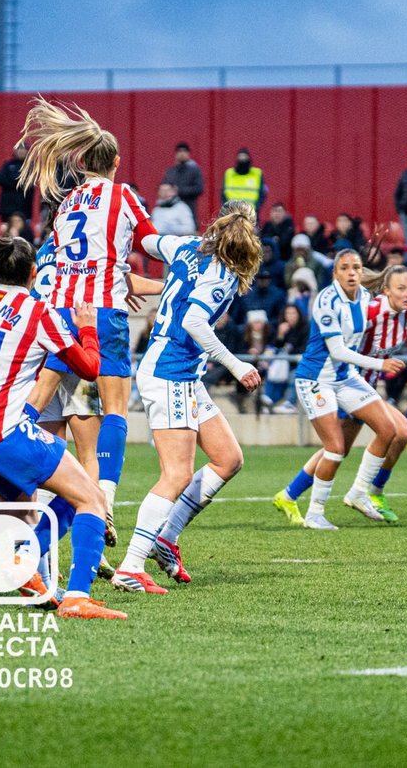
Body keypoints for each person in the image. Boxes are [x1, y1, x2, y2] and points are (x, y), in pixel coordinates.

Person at [0, 234, 126, 620]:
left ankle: (15, 569)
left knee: (19, 508)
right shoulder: (38, 311)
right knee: (90, 496)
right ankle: (76, 597)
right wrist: (87, 329)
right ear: (33, 273)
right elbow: (89, 368)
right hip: (3, 431)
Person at [15, 99, 162, 540]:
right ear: (116, 162)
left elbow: (79, 264)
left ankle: (0, 470)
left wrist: (123, 282)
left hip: (61, 315)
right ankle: (105, 501)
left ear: (81, 161)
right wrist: (187, 254)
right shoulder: (123, 196)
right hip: (101, 316)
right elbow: (151, 245)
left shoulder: (67, 204)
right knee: (114, 410)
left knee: (39, 408)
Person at [115, 205, 263, 592]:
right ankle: (131, 564)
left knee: (228, 459)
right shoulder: (224, 272)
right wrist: (236, 366)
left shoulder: (185, 246)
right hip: (171, 372)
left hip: (178, 372)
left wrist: (132, 208)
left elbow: (147, 241)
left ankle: (166, 539)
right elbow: (193, 322)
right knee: (177, 474)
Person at [272, 261, 407, 526]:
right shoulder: (372, 311)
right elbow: (342, 334)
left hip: (364, 385)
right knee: (379, 436)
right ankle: (365, 493)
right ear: (387, 291)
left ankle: (294, 494)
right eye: (401, 288)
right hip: (346, 382)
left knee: (353, 444)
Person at [270, 249, 404, 530]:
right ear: (335, 273)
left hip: (345, 377)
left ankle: (358, 493)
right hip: (316, 379)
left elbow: (378, 317)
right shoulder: (327, 300)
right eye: (345, 268)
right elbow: (338, 350)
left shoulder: (364, 297)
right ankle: (315, 513)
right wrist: (381, 365)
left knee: (389, 429)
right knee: (335, 448)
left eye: (356, 267)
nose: (352, 273)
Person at [0, 141, 34, 230]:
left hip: (24, 208)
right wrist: (18, 182)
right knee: (6, 234)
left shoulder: (30, 166)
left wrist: (13, 180)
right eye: (19, 149)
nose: (21, 151)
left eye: (23, 149)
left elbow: (29, 184)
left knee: (23, 234)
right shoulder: (7, 165)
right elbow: (0, 179)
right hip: (7, 208)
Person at [162, 142, 204, 217]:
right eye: (179, 151)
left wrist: (179, 190)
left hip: (189, 207)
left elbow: (199, 189)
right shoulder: (171, 171)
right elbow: (163, 187)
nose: (182, 154)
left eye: (185, 151)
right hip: (171, 209)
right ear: (176, 154)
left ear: (188, 154)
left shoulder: (194, 171)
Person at [221, 147, 266, 216]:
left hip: (251, 213)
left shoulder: (257, 174)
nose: (242, 159)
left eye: (244, 157)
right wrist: (227, 209)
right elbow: (222, 194)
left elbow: (263, 193)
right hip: (232, 213)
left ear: (249, 159)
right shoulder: (229, 174)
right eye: (240, 157)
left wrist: (257, 207)